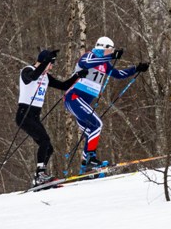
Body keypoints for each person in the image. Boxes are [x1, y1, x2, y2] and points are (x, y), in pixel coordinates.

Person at [64, 36, 149, 171]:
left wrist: (136, 69)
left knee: (91, 131)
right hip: (74, 97)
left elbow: (118, 74)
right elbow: (89, 64)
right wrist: (112, 56)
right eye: (110, 50)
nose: (111, 52)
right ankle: (90, 160)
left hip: (80, 102)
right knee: (97, 125)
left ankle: (86, 166)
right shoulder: (88, 57)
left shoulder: (105, 63)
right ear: (103, 48)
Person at [17, 48, 87, 186]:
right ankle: (40, 175)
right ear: (44, 62)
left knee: (48, 147)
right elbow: (32, 77)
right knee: (44, 140)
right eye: (51, 63)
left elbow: (64, 85)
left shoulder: (45, 76)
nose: (51, 67)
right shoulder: (27, 70)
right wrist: (46, 61)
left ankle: (39, 176)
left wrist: (78, 75)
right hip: (24, 114)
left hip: (34, 116)